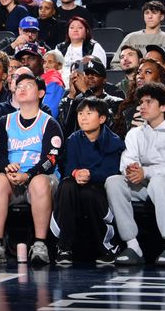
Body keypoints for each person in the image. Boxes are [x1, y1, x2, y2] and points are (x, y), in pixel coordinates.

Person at [0, 72, 64, 265]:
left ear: (41, 93)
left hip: (40, 176)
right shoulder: (4, 121)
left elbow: (50, 159)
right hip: (12, 178)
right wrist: (6, 167)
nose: (22, 89)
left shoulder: (49, 123)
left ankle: (40, 244)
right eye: (19, 86)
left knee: (39, 183)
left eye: (28, 85)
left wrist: (28, 174)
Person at [105, 82, 165, 267]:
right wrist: (132, 171)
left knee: (159, 182)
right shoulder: (135, 133)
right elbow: (127, 160)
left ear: (163, 107)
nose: (141, 106)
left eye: (148, 102)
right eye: (141, 102)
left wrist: (147, 172)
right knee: (114, 182)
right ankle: (132, 246)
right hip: (145, 184)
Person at [51, 97, 124, 265]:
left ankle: (106, 247)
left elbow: (111, 170)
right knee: (67, 185)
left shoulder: (114, 142)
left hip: (99, 187)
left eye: (89, 113)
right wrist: (76, 173)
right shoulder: (73, 139)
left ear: (102, 118)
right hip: (76, 183)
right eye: (80, 113)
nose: (83, 117)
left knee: (89, 194)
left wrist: (90, 175)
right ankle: (64, 247)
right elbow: (68, 166)